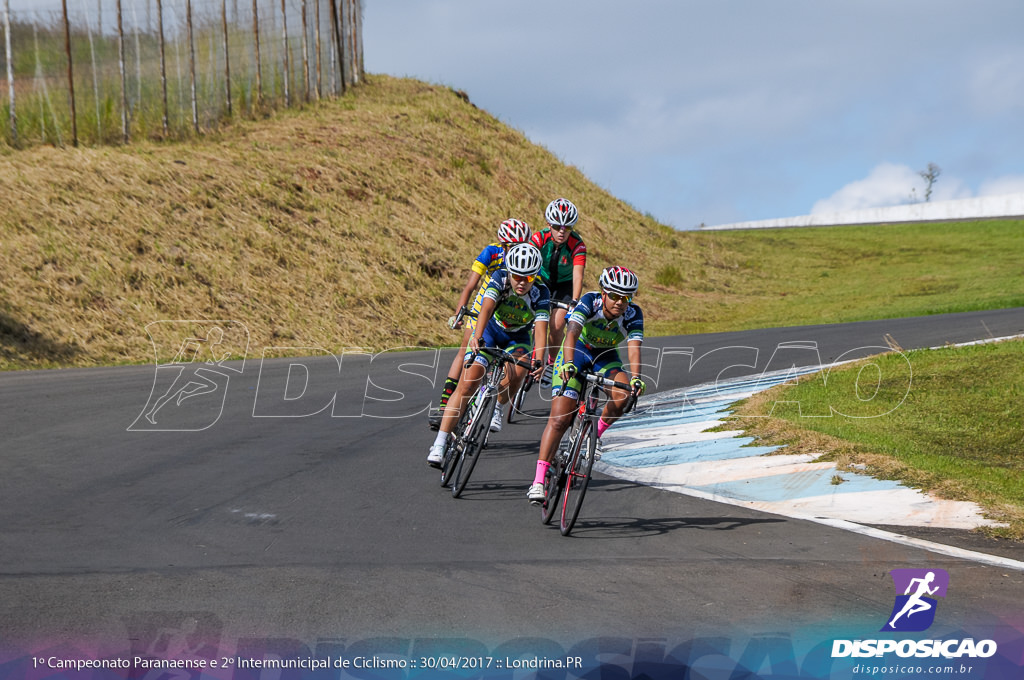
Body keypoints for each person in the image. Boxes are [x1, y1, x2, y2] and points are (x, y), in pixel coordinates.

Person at [527, 266, 646, 503]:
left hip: (605, 357)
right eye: (614, 295)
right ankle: (538, 481)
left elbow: (634, 349)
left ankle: (595, 435)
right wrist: (569, 363)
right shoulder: (590, 302)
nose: (620, 302)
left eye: (626, 297)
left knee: (623, 395)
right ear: (603, 293)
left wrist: (635, 378)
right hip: (577, 352)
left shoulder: (633, 314)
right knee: (561, 419)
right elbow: (570, 334)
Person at [428, 243, 550, 466]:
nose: (522, 282)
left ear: (535, 275)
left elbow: (541, 329)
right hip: (492, 331)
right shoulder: (500, 277)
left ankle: (498, 406)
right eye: (517, 276)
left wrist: (540, 360)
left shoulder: (541, 292)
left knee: (520, 371)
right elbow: (485, 308)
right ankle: (440, 442)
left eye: (528, 278)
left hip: (518, 336)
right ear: (510, 272)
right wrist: (477, 335)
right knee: (467, 384)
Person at [428, 219, 532, 429]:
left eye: (521, 245)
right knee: (466, 346)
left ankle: (490, 394)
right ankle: (445, 403)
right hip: (487, 300)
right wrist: (459, 313)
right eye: (511, 246)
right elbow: (471, 285)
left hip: (510, 309)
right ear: (502, 244)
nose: (516, 250)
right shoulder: (491, 253)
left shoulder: (527, 259)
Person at [530, 198, 586, 385]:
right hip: (542, 280)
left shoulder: (578, 245)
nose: (562, 232)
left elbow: (578, 276)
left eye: (567, 228)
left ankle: (552, 362)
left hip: (565, 286)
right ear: (548, 224)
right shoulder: (539, 238)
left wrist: (574, 302)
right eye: (556, 226)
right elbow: (528, 263)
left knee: (555, 325)